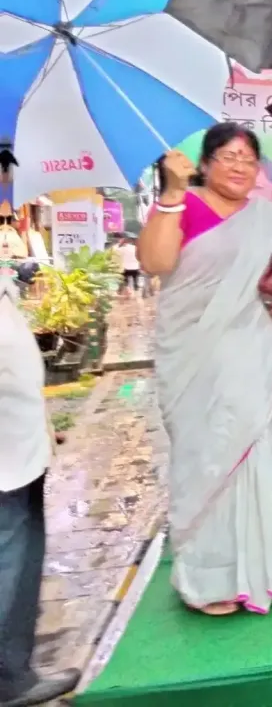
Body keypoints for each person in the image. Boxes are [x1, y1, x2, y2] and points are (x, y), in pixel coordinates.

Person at [138, 123, 272, 615]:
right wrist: (171, 193)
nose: (239, 166)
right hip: (194, 361)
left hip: (251, 357)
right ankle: (207, 579)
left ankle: (256, 571)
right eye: (228, 156)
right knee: (203, 459)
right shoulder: (184, 205)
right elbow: (155, 262)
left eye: (248, 159)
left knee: (249, 454)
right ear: (206, 164)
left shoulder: (265, 218)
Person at [0, 271, 81, 706]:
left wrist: (43, 421)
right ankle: (8, 678)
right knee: (10, 557)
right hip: (6, 458)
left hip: (20, 442)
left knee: (23, 549)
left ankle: (15, 669)